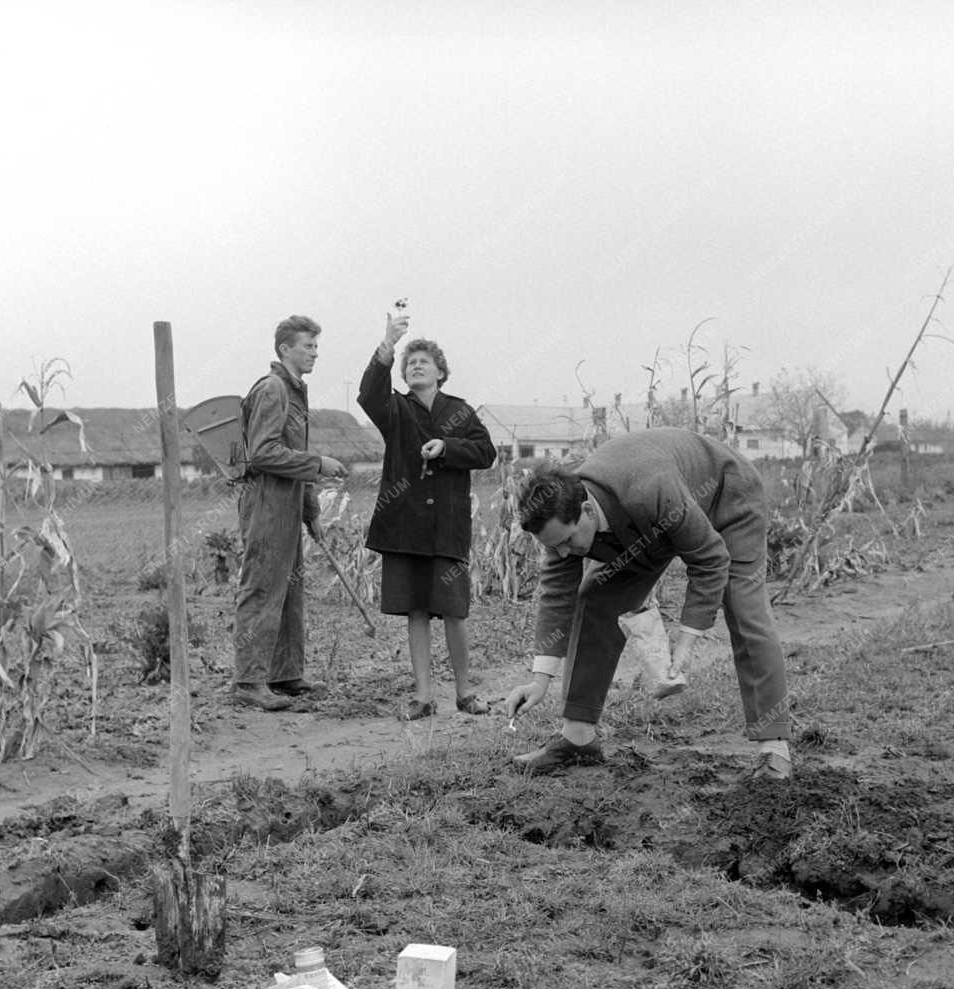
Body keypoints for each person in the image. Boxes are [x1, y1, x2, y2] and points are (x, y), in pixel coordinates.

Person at [506, 428, 792, 778]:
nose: (564, 553)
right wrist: (540, 680)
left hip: (726, 494)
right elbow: (556, 594)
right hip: (647, 524)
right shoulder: (560, 518)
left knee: (744, 606)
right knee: (595, 597)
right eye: (555, 547)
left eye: (566, 541)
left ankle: (774, 746)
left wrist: (685, 643)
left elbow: (711, 559)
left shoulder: (648, 488)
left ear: (586, 510)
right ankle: (578, 738)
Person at [357, 310, 497, 719]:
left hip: (447, 529)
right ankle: (423, 696)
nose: (415, 365)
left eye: (424, 361)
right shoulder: (394, 410)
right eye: (409, 362)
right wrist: (388, 344)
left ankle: (465, 692)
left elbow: (486, 453)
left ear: (440, 371)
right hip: (403, 528)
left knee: (453, 610)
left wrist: (447, 447)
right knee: (416, 611)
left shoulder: (460, 411)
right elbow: (368, 393)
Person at [231, 315, 346, 710]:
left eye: (316, 346)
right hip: (265, 501)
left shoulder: (295, 392)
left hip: (289, 502)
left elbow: (293, 453)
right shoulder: (273, 389)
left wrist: (311, 507)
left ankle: (284, 674)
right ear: (285, 349)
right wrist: (319, 463)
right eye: (307, 346)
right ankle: (248, 681)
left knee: (290, 588)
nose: (315, 352)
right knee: (262, 587)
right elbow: (263, 452)